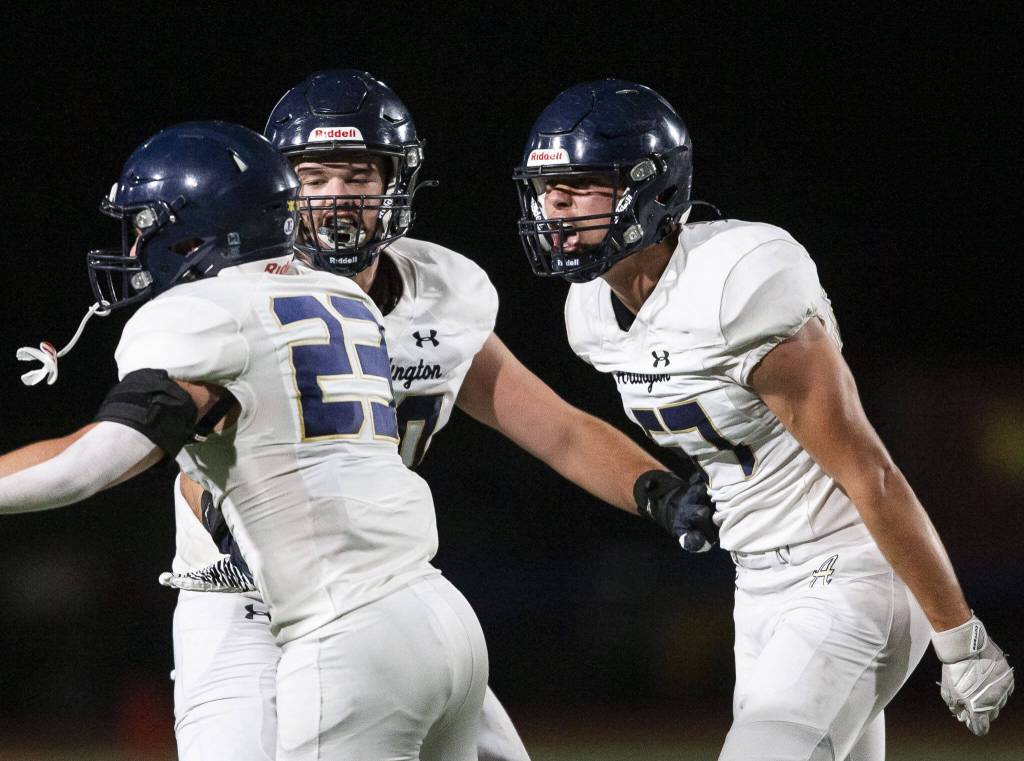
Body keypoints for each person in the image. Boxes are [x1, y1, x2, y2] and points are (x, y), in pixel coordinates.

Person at [156, 71, 717, 761]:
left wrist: (659, 490)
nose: (336, 197)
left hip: (379, 592)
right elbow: (182, 453)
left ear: (397, 183)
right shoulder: (235, 297)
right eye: (316, 175)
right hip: (245, 599)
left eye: (358, 174)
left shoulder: (439, 294)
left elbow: (556, 427)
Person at [512, 79, 1014, 760]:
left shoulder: (739, 279)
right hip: (757, 587)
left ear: (649, 189)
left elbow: (870, 471)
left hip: (848, 573)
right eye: (546, 187)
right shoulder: (589, 314)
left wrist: (960, 635)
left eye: (578, 184)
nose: (555, 205)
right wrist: (669, 493)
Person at [0, 121, 493, 761]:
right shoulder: (340, 296)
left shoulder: (203, 314)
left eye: (146, 226)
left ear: (200, 228)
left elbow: (93, 462)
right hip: (441, 616)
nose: (135, 246)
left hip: (345, 630)